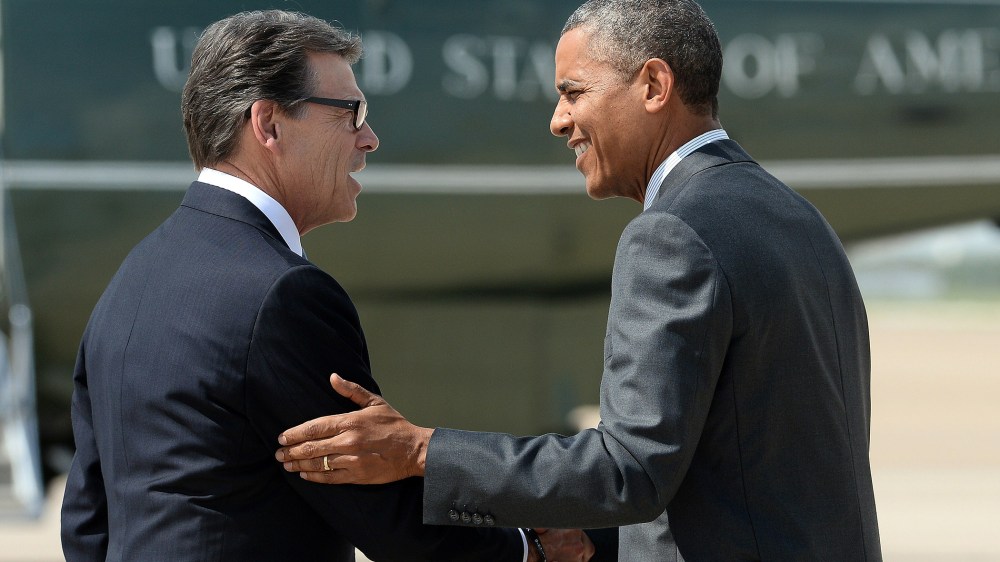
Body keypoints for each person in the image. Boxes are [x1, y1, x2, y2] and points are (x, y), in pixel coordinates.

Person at [275, 0, 883, 560]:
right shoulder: (799, 220)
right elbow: (741, 467)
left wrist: (421, 451)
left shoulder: (670, 234)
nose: (558, 121)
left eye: (574, 92)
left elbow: (629, 470)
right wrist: (588, 536)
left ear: (653, 86)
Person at [60, 9, 592, 562]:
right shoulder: (283, 296)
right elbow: (384, 512)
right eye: (350, 112)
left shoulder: (129, 282)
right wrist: (527, 547)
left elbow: (87, 518)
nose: (370, 138)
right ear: (267, 124)